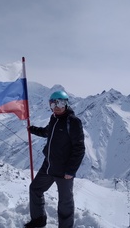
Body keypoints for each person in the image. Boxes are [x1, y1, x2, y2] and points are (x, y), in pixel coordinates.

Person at [24, 90, 85, 228]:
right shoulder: (54, 119)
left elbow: (79, 148)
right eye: (53, 104)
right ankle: (38, 220)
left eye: (60, 103)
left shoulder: (73, 122)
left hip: (64, 171)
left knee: (65, 202)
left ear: (66, 103)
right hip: (48, 166)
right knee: (35, 189)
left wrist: (71, 170)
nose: (56, 107)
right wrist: (32, 129)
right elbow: (47, 132)